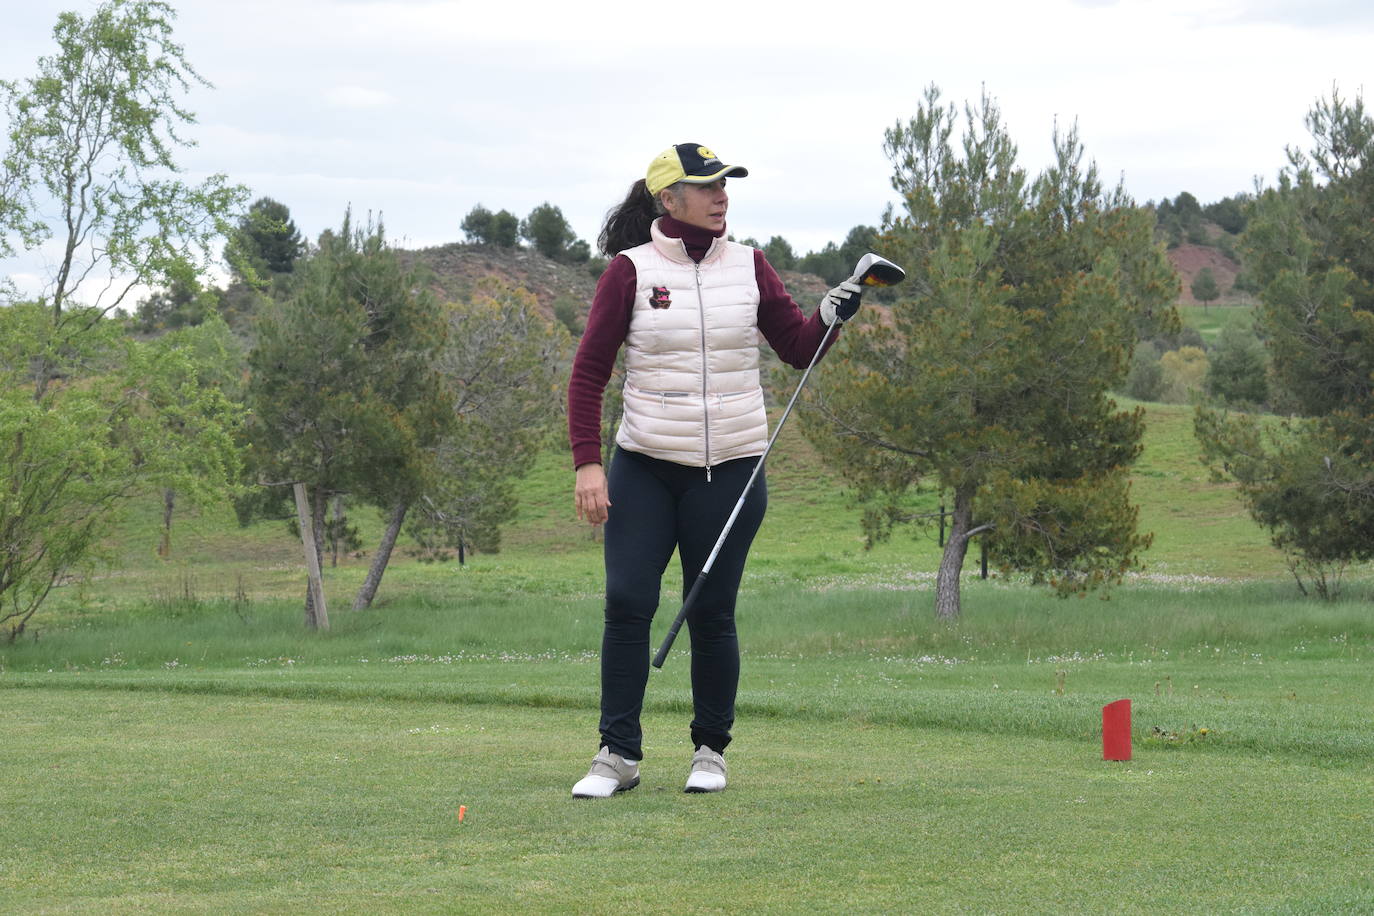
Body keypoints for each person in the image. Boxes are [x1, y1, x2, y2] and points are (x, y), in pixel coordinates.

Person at [566, 143, 863, 798]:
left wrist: (833, 315)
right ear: (669, 200)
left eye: (726, 183)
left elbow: (796, 347)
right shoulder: (630, 272)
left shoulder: (749, 267)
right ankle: (617, 753)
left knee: (712, 613)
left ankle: (710, 750)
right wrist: (589, 463)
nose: (721, 194)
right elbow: (589, 372)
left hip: (730, 467)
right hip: (644, 465)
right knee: (628, 603)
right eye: (707, 186)